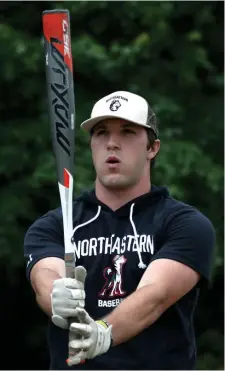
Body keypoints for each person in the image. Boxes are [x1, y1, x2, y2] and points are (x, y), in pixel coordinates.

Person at [24, 90, 215, 370]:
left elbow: (154, 295)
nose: (112, 143)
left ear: (152, 148)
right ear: (91, 145)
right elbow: (44, 276)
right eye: (101, 133)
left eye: (127, 132)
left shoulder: (185, 224)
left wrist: (103, 332)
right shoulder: (53, 225)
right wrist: (56, 295)